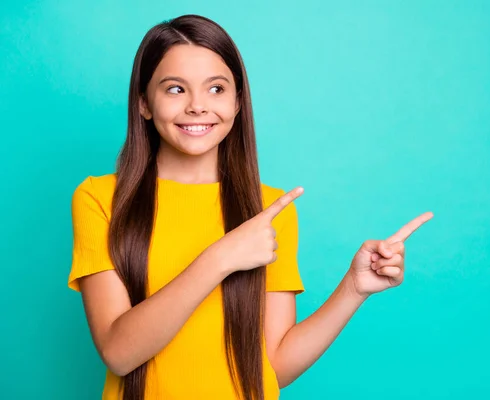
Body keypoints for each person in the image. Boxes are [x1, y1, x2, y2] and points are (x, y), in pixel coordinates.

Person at [67, 14, 433, 400]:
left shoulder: (271, 210)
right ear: (143, 102)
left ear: (238, 102)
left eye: (216, 89)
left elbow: (275, 366)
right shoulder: (100, 199)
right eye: (175, 89)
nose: (197, 107)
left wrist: (354, 289)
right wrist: (221, 257)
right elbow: (119, 353)